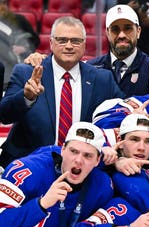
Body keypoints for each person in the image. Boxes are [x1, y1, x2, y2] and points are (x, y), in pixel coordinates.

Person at [0, 16, 124, 167]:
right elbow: (4, 115)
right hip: (28, 164)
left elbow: (122, 113)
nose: (69, 46)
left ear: (84, 44)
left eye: (76, 41)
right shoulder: (26, 72)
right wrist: (26, 97)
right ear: (51, 43)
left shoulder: (102, 79)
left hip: (81, 168)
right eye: (62, 40)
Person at [86, 4, 149, 97]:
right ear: (107, 34)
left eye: (128, 28)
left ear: (138, 31)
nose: (121, 35)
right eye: (115, 29)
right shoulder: (89, 68)